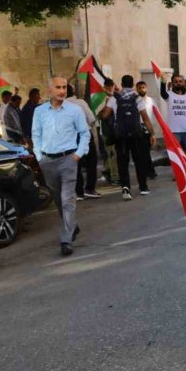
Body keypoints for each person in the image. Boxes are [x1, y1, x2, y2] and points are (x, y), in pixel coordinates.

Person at [32, 76, 91, 256]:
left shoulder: (75, 110)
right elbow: (36, 134)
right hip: (48, 161)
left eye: (64, 87)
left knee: (67, 199)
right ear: (49, 90)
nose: (62, 91)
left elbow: (85, 133)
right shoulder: (40, 111)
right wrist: (39, 156)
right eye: (58, 87)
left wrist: (78, 154)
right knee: (58, 199)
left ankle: (66, 240)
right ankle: (72, 226)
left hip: (68, 160)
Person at [98, 75, 156, 200]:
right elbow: (145, 118)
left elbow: (105, 115)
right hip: (136, 135)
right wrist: (152, 133)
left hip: (121, 135)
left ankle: (125, 188)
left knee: (122, 162)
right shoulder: (137, 98)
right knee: (138, 160)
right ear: (132, 83)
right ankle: (143, 187)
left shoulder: (115, 98)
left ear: (122, 84)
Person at [65, 84, 101, 200]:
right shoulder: (80, 103)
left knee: (75, 164)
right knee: (91, 162)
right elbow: (91, 118)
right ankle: (89, 189)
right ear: (73, 91)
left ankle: (78, 192)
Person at [159, 73, 186, 163]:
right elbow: (163, 93)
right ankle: (178, 176)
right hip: (174, 132)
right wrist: (163, 81)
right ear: (172, 83)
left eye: (180, 81)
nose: (178, 83)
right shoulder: (169, 95)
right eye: (176, 82)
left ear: (183, 83)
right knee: (176, 155)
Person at [95, 79, 120, 185]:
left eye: (111, 86)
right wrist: (106, 105)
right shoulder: (100, 99)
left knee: (113, 154)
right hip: (107, 131)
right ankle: (115, 177)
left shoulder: (116, 98)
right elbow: (98, 115)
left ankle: (107, 171)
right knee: (112, 154)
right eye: (108, 86)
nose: (110, 88)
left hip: (117, 130)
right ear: (104, 87)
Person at [135, 80, 158, 179]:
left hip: (149, 128)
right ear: (137, 89)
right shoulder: (135, 100)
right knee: (142, 151)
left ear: (146, 88)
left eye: (143, 87)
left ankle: (148, 171)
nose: (141, 89)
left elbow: (156, 114)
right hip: (139, 128)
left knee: (146, 151)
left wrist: (154, 131)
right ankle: (149, 171)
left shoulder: (151, 100)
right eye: (139, 88)